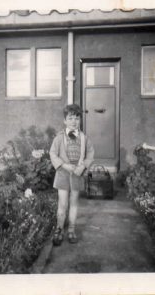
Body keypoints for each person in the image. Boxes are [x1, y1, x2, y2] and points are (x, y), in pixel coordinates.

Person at [49, 104, 95, 245]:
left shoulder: (84, 138)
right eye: (70, 118)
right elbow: (52, 153)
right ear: (65, 121)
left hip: (77, 174)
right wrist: (64, 165)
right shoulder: (59, 138)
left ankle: (71, 230)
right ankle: (59, 229)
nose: (74, 121)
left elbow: (90, 153)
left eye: (76, 118)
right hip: (63, 173)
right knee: (62, 204)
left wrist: (83, 166)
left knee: (74, 203)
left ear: (80, 120)